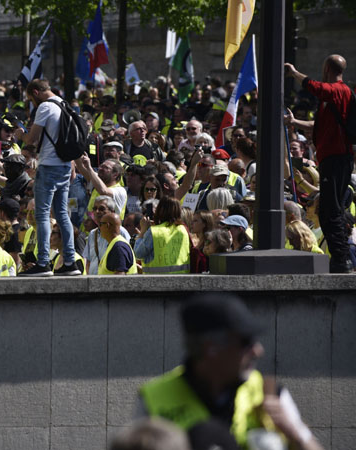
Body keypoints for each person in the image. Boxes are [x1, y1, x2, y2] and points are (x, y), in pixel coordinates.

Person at [139, 293, 324, 450]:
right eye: (245, 342)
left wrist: (295, 433)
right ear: (211, 348)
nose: (258, 350)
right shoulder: (154, 398)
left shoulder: (268, 392)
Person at [285, 55, 354, 273]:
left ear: (326, 69)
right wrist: (295, 122)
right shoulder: (333, 97)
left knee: (329, 210)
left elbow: (317, 88)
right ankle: (340, 258)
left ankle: (341, 260)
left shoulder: (339, 91)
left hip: (336, 158)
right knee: (330, 209)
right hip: (332, 159)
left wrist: (295, 73)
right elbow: (318, 124)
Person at [16, 79, 79, 276]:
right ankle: (70, 261)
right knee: (62, 214)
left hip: (49, 166)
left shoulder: (44, 107)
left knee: (42, 214)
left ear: (35, 91)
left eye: (30, 98)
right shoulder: (64, 104)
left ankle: (43, 263)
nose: (32, 102)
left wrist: (21, 135)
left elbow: (33, 140)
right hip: (64, 166)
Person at [134, 196, 191, 274]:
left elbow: (138, 253)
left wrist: (143, 231)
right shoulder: (183, 229)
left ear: (159, 210)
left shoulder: (154, 231)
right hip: (183, 278)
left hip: (156, 281)